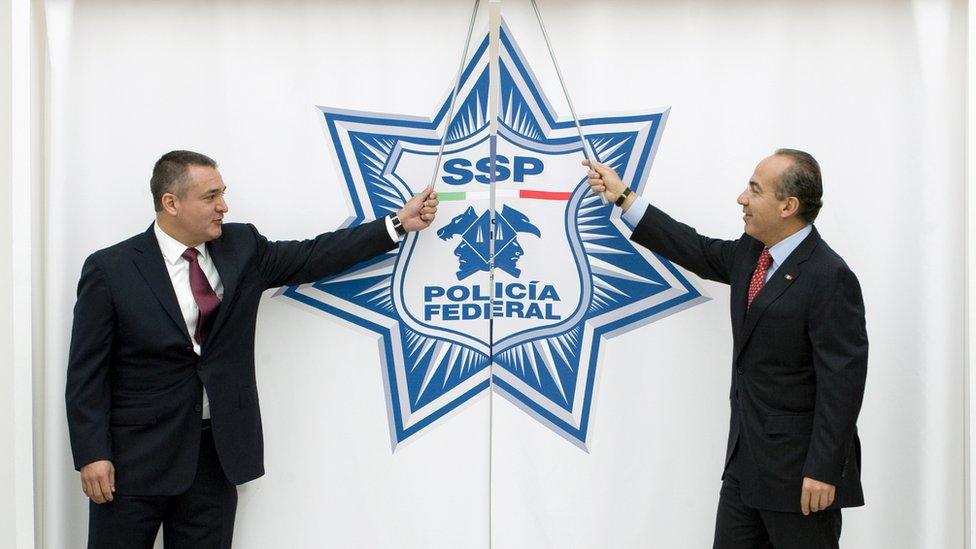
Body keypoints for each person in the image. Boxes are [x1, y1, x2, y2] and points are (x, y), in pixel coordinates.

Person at [65, 150, 438, 548]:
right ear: (170, 203)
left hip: (214, 456)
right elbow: (86, 373)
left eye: (222, 194)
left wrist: (397, 224)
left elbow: (314, 255)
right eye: (210, 197)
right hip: (131, 462)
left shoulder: (241, 247)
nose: (223, 207)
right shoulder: (111, 268)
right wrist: (92, 454)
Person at [585, 149, 867, 548]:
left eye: (755, 190)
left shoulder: (829, 277)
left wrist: (823, 470)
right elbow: (696, 249)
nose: (742, 199)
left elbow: (843, 384)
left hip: (800, 479)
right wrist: (623, 197)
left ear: (788, 205)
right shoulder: (753, 253)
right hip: (744, 468)